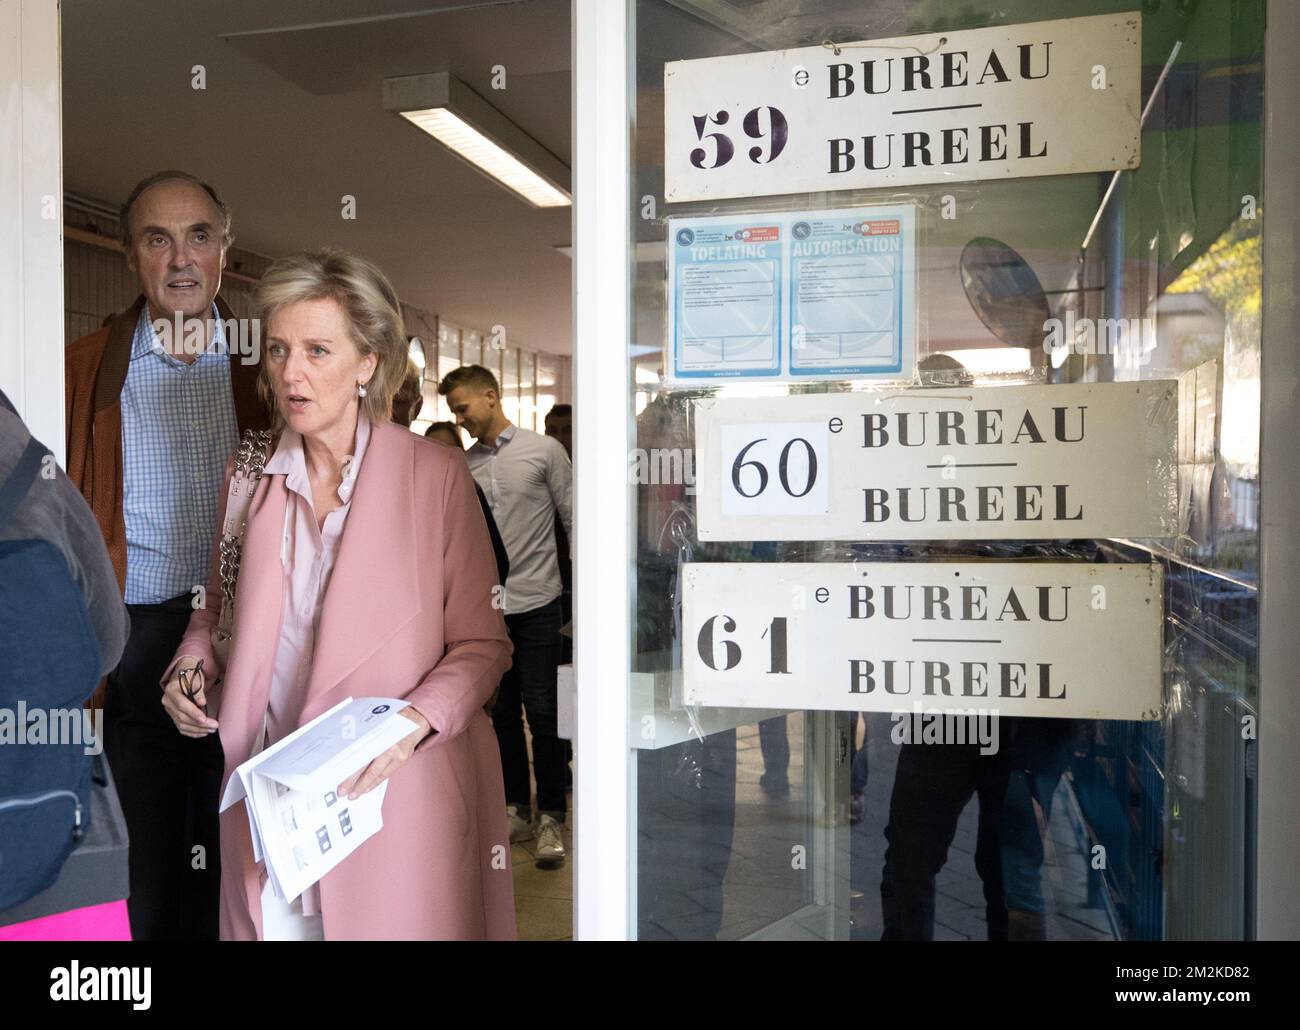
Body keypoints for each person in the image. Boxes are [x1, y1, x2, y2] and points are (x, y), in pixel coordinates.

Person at [159, 248, 515, 940]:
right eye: (280, 350)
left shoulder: (434, 478)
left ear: (368, 363)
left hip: (389, 800)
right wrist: (190, 667)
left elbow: (483, 643)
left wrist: (416, 720)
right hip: (270, 807)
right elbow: (214, 614)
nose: (292, 373)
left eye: (318, 351)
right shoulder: (249, 472)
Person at [63, 169, 269, 941]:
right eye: (157, 239)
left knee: (240, 854)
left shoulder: (269, 368)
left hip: (246, 631)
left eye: (199, 235)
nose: (180, 258)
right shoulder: (83, 371)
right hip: (133, 634)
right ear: (129, 257)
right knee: (144, 862)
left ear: (225, 248)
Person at [439, 365, 573, 867]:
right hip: (488, 609)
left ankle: (552, 817)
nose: (459, 419)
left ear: (491, 397)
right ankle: (516, 808)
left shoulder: (544, 451)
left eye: (462, 408)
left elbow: (574, 519)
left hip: (540, 603)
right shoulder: (463, 465)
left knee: (544, 712)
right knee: (502, 716)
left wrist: (579, 602)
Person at [424, 421, 510, 587]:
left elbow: (498, 561)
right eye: (432, 449)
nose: (440, 457)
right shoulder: (417, 497)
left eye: (447, 449)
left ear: (461, 454)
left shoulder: (471, 491)